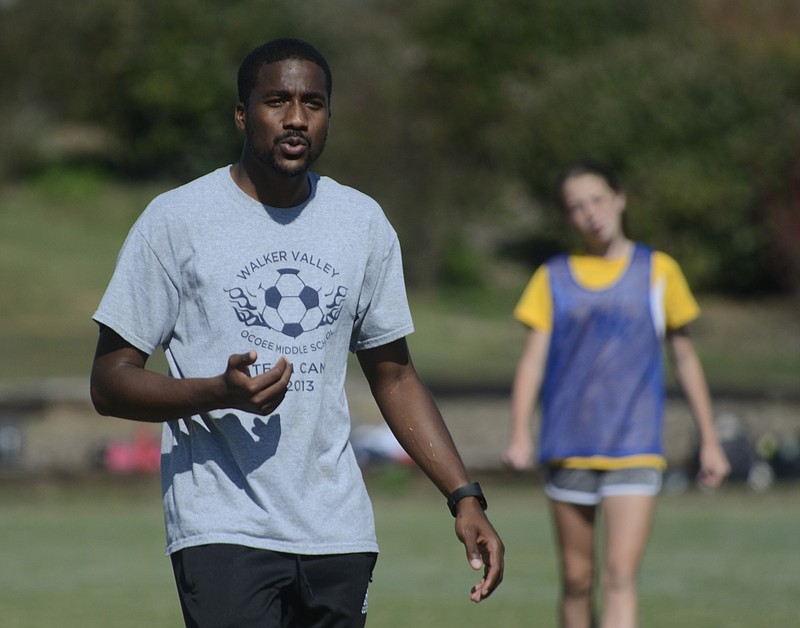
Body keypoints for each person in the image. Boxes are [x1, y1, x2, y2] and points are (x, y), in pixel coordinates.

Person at [91, 38, 503, 628]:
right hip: (223, 527)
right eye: (276, 101)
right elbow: (108, 384)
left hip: (338, 531)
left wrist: (465, 497)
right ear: (242, 114)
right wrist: (218, 392)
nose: (295, 118)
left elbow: (395, 375)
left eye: (313, 103)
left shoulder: (361, 223)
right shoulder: (175, 221)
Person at [503, 158, 730, 628]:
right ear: (568, 217)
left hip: (635, 446)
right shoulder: (552, 277)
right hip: (567, 446)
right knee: (577, 580)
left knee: (621, 576)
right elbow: (532, 361)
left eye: (598, 199)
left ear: (620, 198)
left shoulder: (660, 271)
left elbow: (685, 358)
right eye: (577, 206)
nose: (591, 213)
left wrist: (709, 438)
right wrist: (520, 434)